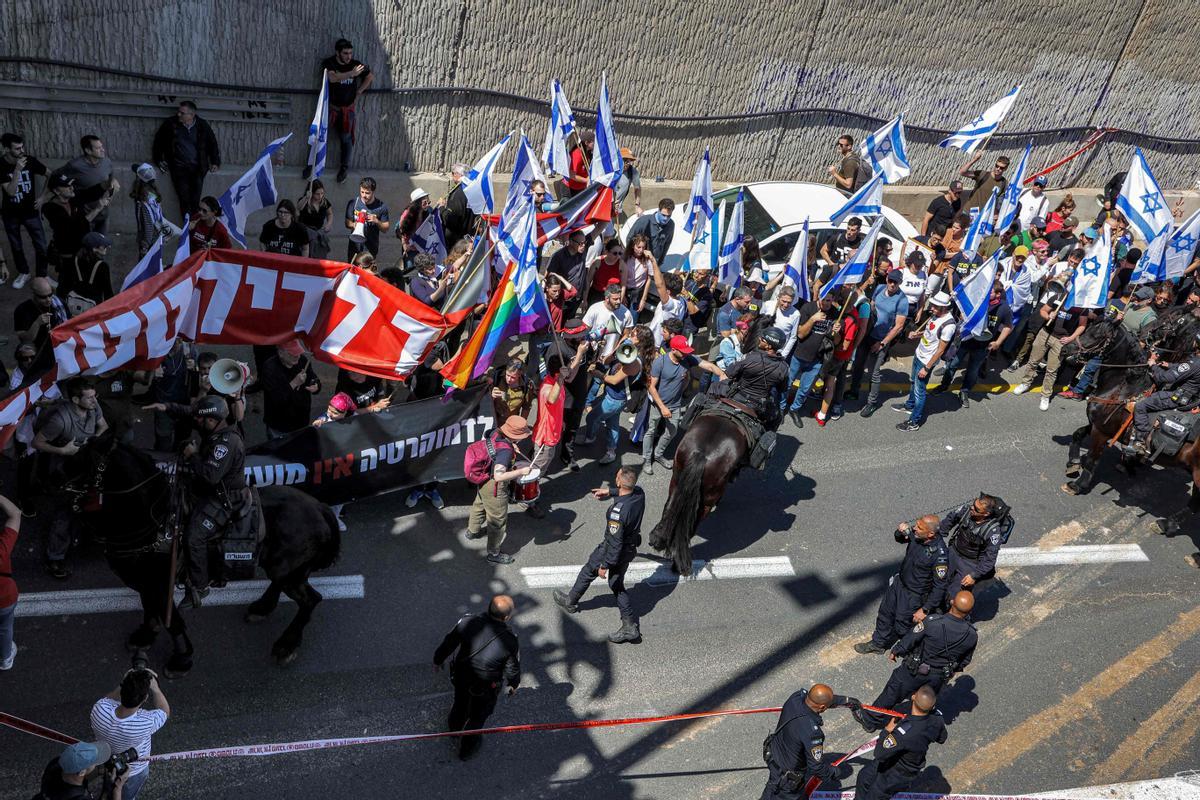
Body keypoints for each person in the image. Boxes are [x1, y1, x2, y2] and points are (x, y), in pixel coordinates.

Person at [857, 591, 977, 730]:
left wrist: (897, 650)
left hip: (914, 669)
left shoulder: (933, 622)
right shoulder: (971, 635)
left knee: (893, 692)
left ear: (952, 603)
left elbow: (912, 638)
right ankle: (917, 728)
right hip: (938, 677)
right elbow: (965, 660)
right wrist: (951, 671)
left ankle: (871, 719)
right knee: (924, 702)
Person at [553, 466, 647, 642]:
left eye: (616, 478)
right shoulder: (639, 494)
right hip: (629, 549)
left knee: (589, 570)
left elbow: (615, 542)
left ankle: (570, 602)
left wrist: (605, 565)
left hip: (613, 549)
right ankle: (629, 626)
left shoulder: (617, 512)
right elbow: (627, 490)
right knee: (616, 584)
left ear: (619, 481)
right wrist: (609, 492)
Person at [33, 378, 108, 579]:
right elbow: (37, 442)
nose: (94, 400)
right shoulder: (59, 420)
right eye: (90, 397)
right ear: (76, 399)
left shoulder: (93, 406)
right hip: (63, 471)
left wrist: (92, 443)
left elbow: (103, 426)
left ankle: (86, 540)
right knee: (64, 513)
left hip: (86, 465)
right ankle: (55, 557)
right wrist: (63, 450)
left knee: (92, 502)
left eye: (95, 396)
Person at [433, 595, 521, 761]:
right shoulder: (510, 640)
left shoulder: (468, 621)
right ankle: (466, 749)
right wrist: (513, 684)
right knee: (478, 716)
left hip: (461, 677)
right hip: (486, 686)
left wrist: (438, 660)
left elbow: (449, 642)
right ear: (507, 617)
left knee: (459, 703)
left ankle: (454, 729)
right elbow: (512, 668)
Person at [179, 394, 247, 605]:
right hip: (211, 490)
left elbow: (210, 476)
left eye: (202, 419)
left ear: (214, 420)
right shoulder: (217, 434)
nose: (198, 422)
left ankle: (199, 586)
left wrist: (192, 456)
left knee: (194, 536)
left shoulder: (225, 444)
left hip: (223, 498)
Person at [855, 514, 949, 655]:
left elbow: (940, 586)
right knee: (885, 613)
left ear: (930, 533)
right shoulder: (918, 535)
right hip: (900, 584)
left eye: (919, 527)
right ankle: (878, 643)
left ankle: (912, 651)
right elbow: (899, 538)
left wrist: (925, 609)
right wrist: (900, 531)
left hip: (914, 595)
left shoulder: (940, 555)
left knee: (903, 625)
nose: (915, 528)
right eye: (916, 524)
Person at [761, 683, 862, 799]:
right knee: (778, 794)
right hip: (786, 777)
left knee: (772, 788)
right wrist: (834, 772)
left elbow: (818, 698)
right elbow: (816, 767)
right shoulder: (812, 732)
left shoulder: (795, 698)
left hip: (774, 753)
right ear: (823, 707)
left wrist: (845, 701)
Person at [643, 335, 725, 473]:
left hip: (675, 405)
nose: (686, 353)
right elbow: (651, 387)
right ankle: (646, 460)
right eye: (683, 351)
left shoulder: (687, 359)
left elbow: (708, 365)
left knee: (672, 431)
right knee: (650, 431)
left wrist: (722, 374)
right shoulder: (660, 362)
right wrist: (662, 407)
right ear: (674, 349)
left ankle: (658, 454)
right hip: (658, 405)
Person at [853, 686, 947, 800]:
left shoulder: (903, 733)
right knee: (864, 777)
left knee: (875, 795)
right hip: (901, 759)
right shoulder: (937, 719)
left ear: (913, 697)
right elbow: (942, 738)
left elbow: (879, 753)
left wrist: (887, 730)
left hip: (898, 772)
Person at [90, 669, 170, 800]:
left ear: (122, 691)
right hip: (132, 770)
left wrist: (125, 683)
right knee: (125, 794)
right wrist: (155, 688)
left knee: (108, 779)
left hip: (105, 757)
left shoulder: (99, 709)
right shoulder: (146, 722)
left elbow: (108, 699)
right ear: (145, 698)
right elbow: (164, 711)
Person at [1013, 277, 1087, 411]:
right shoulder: (1058, 297)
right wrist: (1048, 316)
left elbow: (1082, 326)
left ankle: (1045, 395)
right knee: (1033, 361)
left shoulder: (1081, 307)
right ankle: (1025, 383)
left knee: (1052, 369)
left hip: (1061, 340)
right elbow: (1043, 310)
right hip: (1045, 333)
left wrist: (1071, 338)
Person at [934, 281, 1013, 407]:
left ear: (998, 295)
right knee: (952, 364)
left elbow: (1008, 326)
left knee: (972, 370)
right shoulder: (979, 300)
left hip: (983, 345)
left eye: (991, 292)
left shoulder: (1004, 308)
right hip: (966, 340)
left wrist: (998, 342)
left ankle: (964, 392)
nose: (987, 293)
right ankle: (944, 385)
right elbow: (963, 313)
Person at [465, 416, 532, 564]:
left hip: (482, 479)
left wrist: (512, 445)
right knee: (498, 520)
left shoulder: (496, 432)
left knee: (479, 505)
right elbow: (499, 475)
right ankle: (493, 553)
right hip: (494, 486)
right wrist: (521, 472)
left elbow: (493, 446)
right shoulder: (505, 452)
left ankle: (472, 531)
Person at [1126, 341, 1200, 460]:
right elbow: (1187, 370)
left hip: (1174, 397)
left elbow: (1164, 378)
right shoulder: (1194, 363)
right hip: (1189, 399)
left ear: (1196, 344)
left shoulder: (1194, 362)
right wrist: (1169, 365)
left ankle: (1139, 441)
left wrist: (1152, 364)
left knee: (1140, 406)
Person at [894, 293, 956, 431]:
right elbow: (931, 333)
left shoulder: (948, 325)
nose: (931, 308)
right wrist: (918, 334)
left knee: (919, 391)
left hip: (926, 362)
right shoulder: (936, 315)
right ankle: (910, 405)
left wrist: (927, 368)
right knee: (913, 382)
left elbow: (940, 349)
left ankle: (914, 421)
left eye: (934, 306)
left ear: (943, 307)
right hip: (919, 354)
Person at [855, 269, 909, 417]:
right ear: (886, 279)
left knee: (874, 372)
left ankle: (872, 403)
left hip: (881, 340)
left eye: (895, 282)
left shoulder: (902, 300)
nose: (892, 284)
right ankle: (853, 390)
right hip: (867, 334)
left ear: (900, 283)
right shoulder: (879, 288)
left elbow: (898, 326)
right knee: (858, 364)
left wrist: (882, 343)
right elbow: (872, 306)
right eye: (890, 280)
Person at [151, 100, 220, 216]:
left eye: (182, 113)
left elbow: (212, 144)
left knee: (195, 199)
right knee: (184, 198)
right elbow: (158, 142)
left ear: (191, 115)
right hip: (179, 168)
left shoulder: (202, 126)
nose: (179, 115)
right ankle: (187, 227)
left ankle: (194, 227)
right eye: (179, 112)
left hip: (198, 168)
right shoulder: (170, 124)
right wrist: (158, 159)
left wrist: (215, 162)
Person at [319, 38, 373, 184]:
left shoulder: (355, 65)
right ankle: (312, 165)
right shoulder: (330, 63)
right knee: (319, 136)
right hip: (331, 108)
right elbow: (332, 78)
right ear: (337, 53)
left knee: (346, 139)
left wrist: (359, 91)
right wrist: (351, 74)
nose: (348, 56)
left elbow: (369, 76)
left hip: (347, 110)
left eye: (350, 53)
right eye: (345, 53)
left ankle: (344, 168)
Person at [583, 335, 643, 465]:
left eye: (634, 335)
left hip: (615, 399)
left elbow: (614, 380)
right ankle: (611, 451)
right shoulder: (623, 351)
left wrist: (599, 375)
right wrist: (616, 350)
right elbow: (605, 361)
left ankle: (590, 437)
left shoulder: (633, 362)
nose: (630, 336)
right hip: (612, 396)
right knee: (613, 424)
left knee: (592, 417)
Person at [940, 493, 1013, 599]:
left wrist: (974, 576)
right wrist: (938, 541)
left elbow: (989, 560)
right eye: (973, 504)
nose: (971, 508)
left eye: (976, 509)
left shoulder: (993, 532)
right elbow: (948, 521)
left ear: (986, 514)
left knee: (955, 596)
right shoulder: (966, 511)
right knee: (939, 581)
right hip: (953, 551)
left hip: (970, 563)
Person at [1, 132, 49, 286]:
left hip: (30, 212)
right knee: (16, 245)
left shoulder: (30, 161)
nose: (22, 151)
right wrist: (17, 170)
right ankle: (24, 272)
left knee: (41, 244)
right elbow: (10, 191)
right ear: (6, 149)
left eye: (22, 147)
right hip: (10, 213)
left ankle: (42, 276)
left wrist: (43, 197)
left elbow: (50, 174)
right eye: (17, 149)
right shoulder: (0, 165)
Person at [52, 135, 119, 233]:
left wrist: (113, 182)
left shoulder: (107, 162)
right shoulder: (75, 165)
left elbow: (110, 178)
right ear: (88, 151)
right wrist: (43, 197)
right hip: (85, 216)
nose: (103, 150)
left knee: (102, 245)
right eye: (98, 148)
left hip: (103, 214)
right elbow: (55, 177)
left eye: (102, 147)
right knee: (86, 245)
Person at [258, 341, 321, 439]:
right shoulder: (270, 368)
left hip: (301, 421)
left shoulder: (303, 361)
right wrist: (294, 383)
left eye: (299, 352)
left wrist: (316, 385)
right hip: (279, 425)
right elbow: (277, 399)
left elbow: (313, 378)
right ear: (280, 353)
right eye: (293, 354)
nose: (298, 356)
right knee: (278, 451)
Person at [40, 174, 94, 278]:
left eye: (71, 185)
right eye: (66, 186)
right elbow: (71, 227)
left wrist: (107, 183)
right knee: (67, 278)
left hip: (81, 249)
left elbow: (91, 192)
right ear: (56, 191)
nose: (71, 188)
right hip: (67, 252)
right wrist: (97, 209)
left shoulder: (73, 199)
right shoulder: (50, 208)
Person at [37, 740, 130, 800]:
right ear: (82, 772)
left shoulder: (55, 763)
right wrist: (118, 788)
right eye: (95, 762)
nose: (97, 764)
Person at [128, 164, 178, 259]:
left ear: (138, 180)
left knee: (145, 268)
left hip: (149, 241)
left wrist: (145, 245)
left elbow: (148, 224)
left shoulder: (143, 202)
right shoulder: (152, 194)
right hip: (156, 237)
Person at [57, 231, 113, 314]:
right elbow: (108, 292)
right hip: (93, 306)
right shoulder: (102, 266)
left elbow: (65, 284)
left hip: (74, 303)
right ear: (94, 248)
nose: (107, 247)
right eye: (104, 246)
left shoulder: (74, 260)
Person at [14, 275, 68, 349]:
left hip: (59, 347)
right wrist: (37, 324)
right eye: (43, 297)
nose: (48, 299)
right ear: (33, 294)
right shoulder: (22, 310)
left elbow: (70, 323)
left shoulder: (59, 304)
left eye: (50, 295)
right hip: (37, 351)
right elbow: (26, 340)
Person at [345, 176, 390, 261]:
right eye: (362, 192)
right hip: (354, 246)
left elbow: (385, 228)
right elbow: (347, 223)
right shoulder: (353, 203)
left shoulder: (381, 207)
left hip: (370, 248)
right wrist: (354, 224)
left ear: (373, 192)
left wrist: (376, 221)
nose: (364, 195)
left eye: (367, 193)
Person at [0, 493, 20, 670]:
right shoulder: (2, 548)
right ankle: (5, 658)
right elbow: (15, 513)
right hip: (5, 596)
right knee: (5, 628)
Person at [626, 198, 676, 266]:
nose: (666, 219)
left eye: (669, 216)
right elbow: (629, 239)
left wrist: (660, 263)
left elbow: (667, 244)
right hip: (638, 262)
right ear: (658, 210)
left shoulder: (671, 225)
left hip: (654, 263)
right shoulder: (644, 221)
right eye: (663, 215)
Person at [297, 180, 333, 259]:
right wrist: (306, 198)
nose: (320, 196)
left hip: (318, 233)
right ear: (311, 193)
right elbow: (298, 208)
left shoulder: (324, 202)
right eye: (317, 194)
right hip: (305, 233)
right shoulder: (305, 201)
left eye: (322, 193)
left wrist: (328, 224)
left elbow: (330, 214)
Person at [562, 129, 594, 197]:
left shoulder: (588, 153)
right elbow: (571, 175)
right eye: (593, 142)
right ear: (586, 143)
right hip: (570, 188)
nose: (596, 144)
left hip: (580, 187)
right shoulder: (578, 154)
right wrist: (586, 180)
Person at [613, 147, 642, 221]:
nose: (628, 163)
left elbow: (637, 188)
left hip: (616, 209)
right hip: (605, 205)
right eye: (625, 160)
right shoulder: (611, 169)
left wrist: (637, 205)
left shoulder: (632, 172)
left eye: (630, 161)